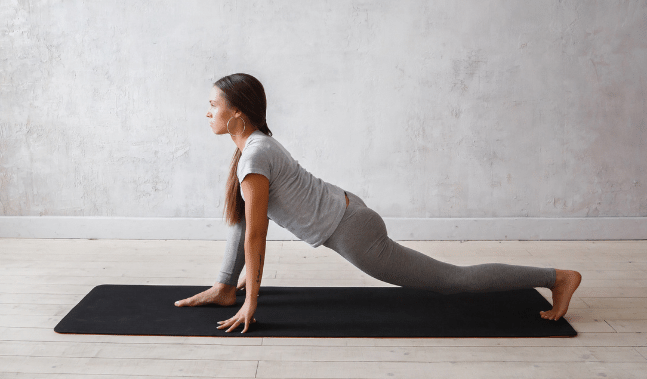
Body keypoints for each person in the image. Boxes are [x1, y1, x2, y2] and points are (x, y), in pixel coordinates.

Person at [174, 73, 582, 334]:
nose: (207, 111)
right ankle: (226, 287)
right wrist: (227, 285)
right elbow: (244, 219)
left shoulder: (254, 154)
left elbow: (256, 236)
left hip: (354, 232)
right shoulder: (254, 146)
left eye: (213, 105)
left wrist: (252, 300)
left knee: (452, 281)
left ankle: (556, 277)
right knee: (449, 280)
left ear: (238, 114)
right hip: (348, 208)